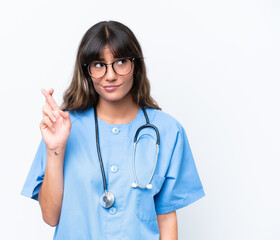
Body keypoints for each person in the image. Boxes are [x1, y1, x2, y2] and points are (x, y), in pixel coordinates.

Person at [21, 20, 205, 240]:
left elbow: (166, 219)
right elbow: (51, 217)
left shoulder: (167, 131)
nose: (110, 75)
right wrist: (55, 149)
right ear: (86, 71)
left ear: (135, 65)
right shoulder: (63, 128)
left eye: (120, 62)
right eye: (99, 64)